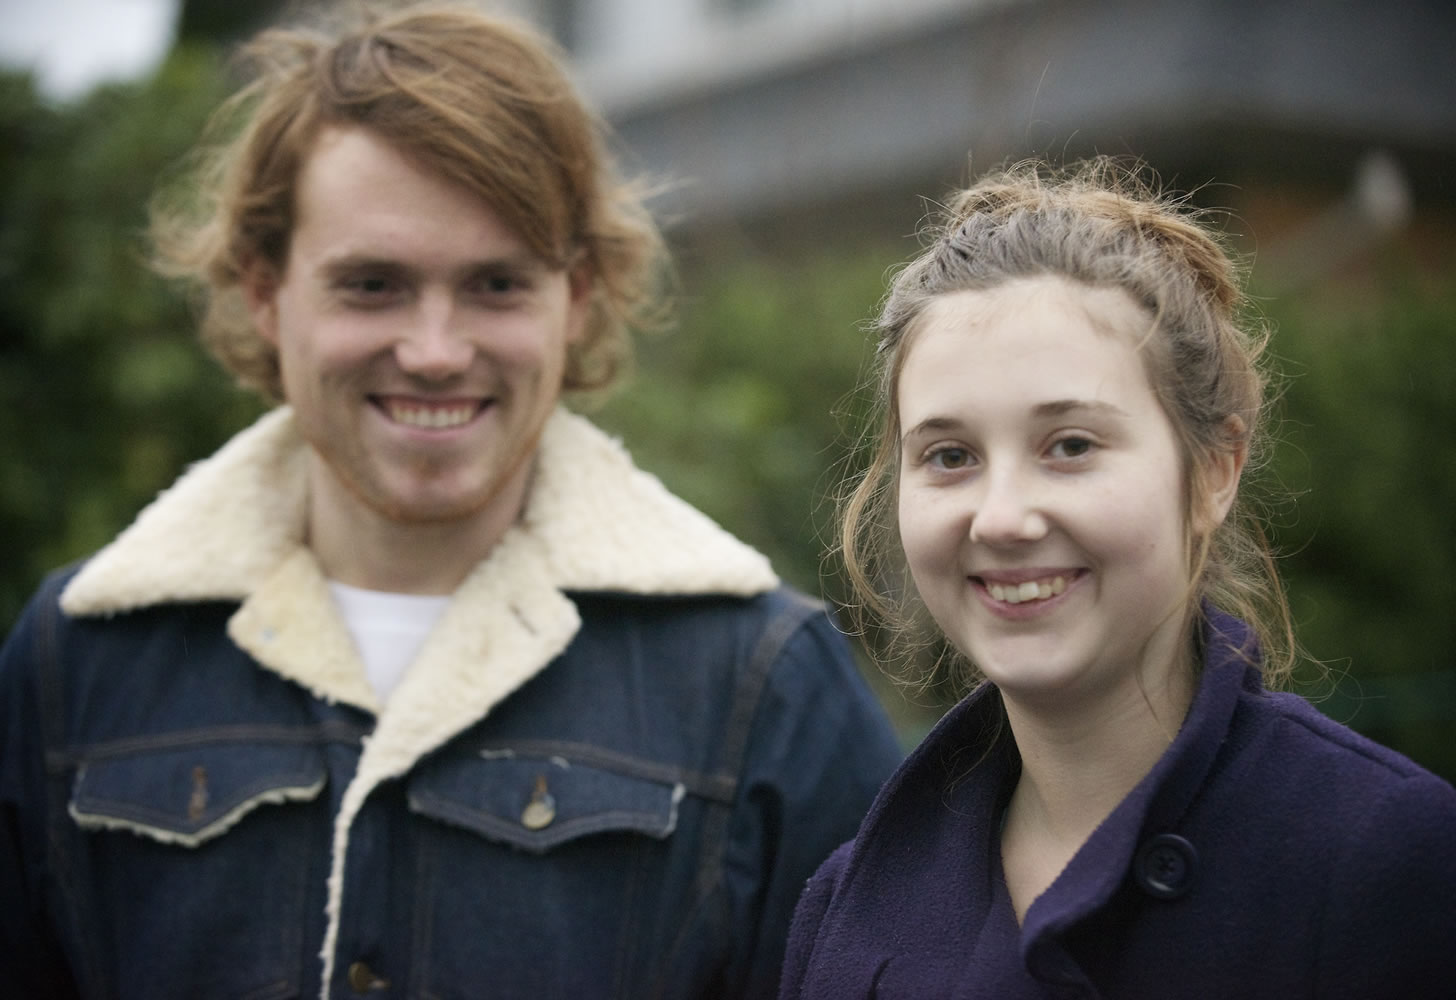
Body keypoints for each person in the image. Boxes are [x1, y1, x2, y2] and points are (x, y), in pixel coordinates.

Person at [0, 5, 902, 998]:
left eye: (495, 285)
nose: (434, 350)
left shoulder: (765, 684)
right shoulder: (71, 664)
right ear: (265, 291)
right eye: (373, 284)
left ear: (579, 296)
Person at [778, 158, 1456, 999]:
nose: (1002, 517)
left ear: (1214, 471)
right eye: (949, 456)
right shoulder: (845, 908)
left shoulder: (1382, 861)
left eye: (1071, 445)